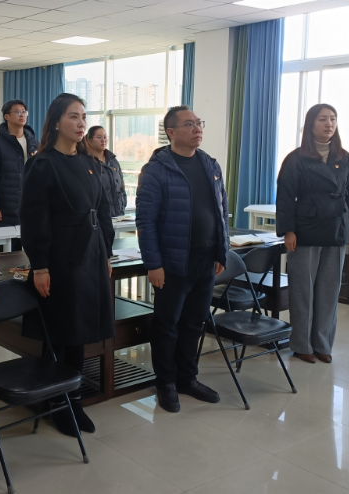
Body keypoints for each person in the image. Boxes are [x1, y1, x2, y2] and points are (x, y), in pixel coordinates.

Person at [20, 93, 114, 437]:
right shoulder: (42, 164)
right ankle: (57, 401)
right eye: (74, 116)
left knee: (81, 333)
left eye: (84, 116)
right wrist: (40, 266)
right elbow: (34, 219)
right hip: (61, 258)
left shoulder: (89, 161)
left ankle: (73, 398)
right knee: (60, 334)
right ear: (57, 122)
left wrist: (106, 254)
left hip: (91, 255)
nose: (81, 123)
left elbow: (103, 210)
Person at [136, 105, 229, 413]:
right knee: (167, 325)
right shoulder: (157, 169)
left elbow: (222, 211)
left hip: (205, 261)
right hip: (173, 263)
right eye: (189, 124)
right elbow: (145, 220)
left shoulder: (210, 164)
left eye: (199, 123)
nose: (197, 128)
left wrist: (221, 251)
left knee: (194, 323)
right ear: (171, 132)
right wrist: (154, 264)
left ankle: (188, 378)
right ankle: (166, 383)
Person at [276, 103, 349, 364]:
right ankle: (302, 344)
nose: (329, 124)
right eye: (323, 119)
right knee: (302, 291)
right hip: (305, 230)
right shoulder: (296, 159)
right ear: (310, 124)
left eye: (333, 119)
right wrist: (288, 230)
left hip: (337, 228)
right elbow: (285, 198)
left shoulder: (345, 158)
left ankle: (322, 343)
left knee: (329, 290)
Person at [0, 99, 39, 250]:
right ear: (6, 116)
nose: (22, 115)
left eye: (24, 112)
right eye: (17, 112)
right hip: (5, 209)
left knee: (30, 254)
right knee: (7, 256)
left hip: (30, 209)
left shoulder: (34, 143)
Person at [86, 126, 127, 217]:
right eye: (99, 137)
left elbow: (121, 186)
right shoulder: (87, 162)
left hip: (118, 214)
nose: (103, 140)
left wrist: (123, 204)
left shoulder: (113, 160)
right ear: (89, 141)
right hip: (99, 216)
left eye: (105, 137)